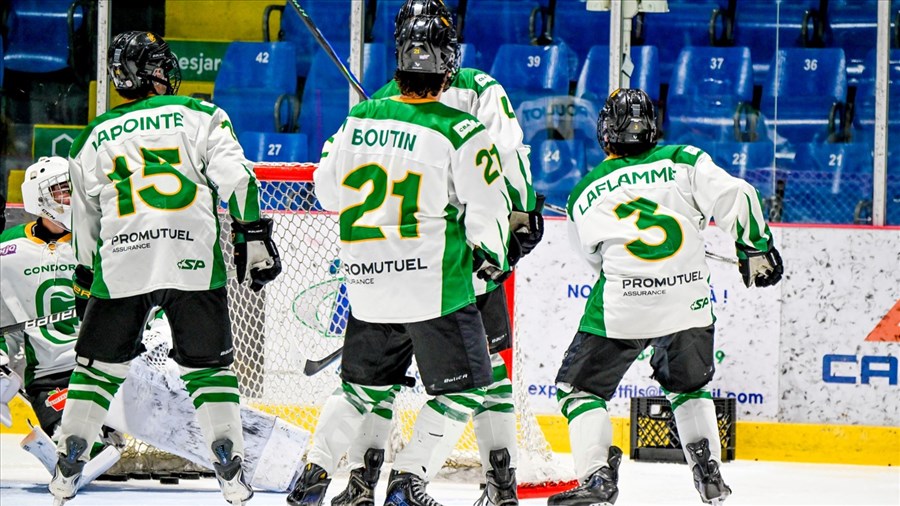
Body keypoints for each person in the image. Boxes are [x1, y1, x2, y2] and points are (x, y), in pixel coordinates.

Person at [325, 1, 544, 505]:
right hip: (462, 257)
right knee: (486, 370)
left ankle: (361, 482)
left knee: (379, 380)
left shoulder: (381, 99)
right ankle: (500, 483)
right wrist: (521, 216)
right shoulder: (481, 87)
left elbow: (336, 177)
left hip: (389, 258)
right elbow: (508, 156)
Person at [49, 31, 281, 506]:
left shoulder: (93, 136)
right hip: (191, 260)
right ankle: (229, 463)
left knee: (95, 371)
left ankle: (70, 459)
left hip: (122, 263)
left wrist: (85, 278)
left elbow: (85, 222)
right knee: (209, 372)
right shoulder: (201, 114)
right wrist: (253, 236)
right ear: (153, 72)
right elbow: (239, 180)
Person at [548, 88, 783, 506]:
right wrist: (756, 247)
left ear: (605, 133)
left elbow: (592, 258)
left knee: (579, 391)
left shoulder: (585, 189)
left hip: (623, 305)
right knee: (689, 387)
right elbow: (738, 194)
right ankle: (708, 472)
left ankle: (597, 477)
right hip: (688, 303)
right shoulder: (683, 159)